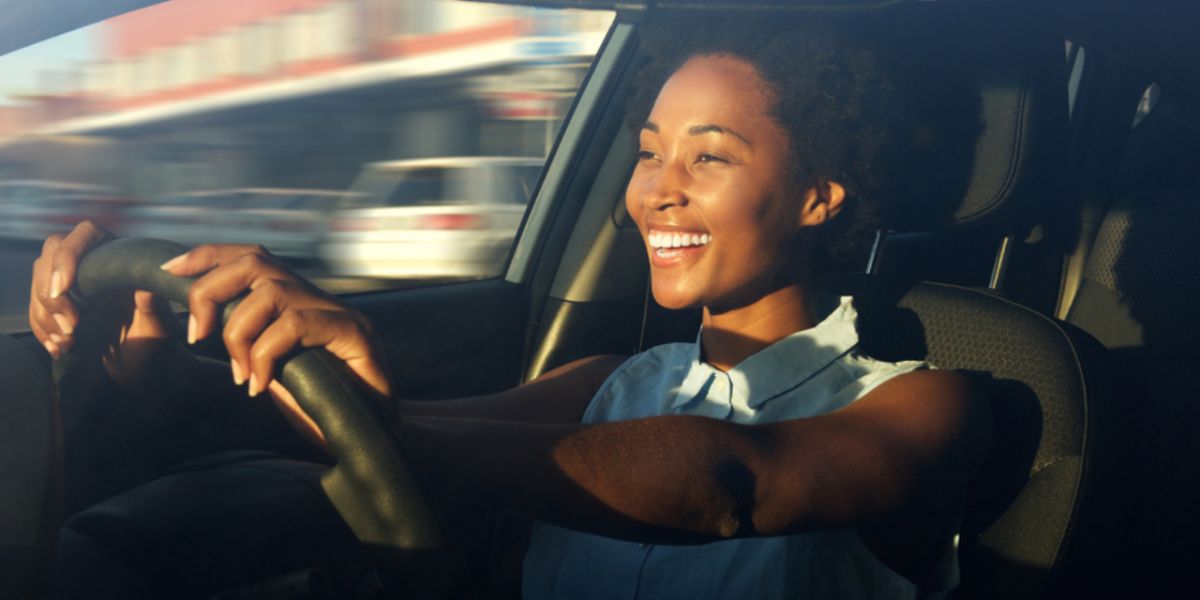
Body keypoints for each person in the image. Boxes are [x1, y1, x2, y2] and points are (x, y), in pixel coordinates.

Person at [29, 15, 990, 599]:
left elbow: (742, 486)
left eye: (710, 155)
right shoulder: (615, 382)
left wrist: (399, 430)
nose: (656, 189)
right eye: (650, 149)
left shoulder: (924, 403)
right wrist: (170, 374)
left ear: (820, 198)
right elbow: (385, 438)